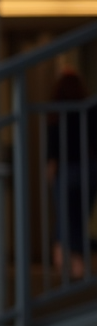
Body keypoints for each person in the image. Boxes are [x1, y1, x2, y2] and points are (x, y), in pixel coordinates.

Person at [46, 69, 97, 280]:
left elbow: (52, 154)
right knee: (80, 219)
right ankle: (79, 266)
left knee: (64, 220)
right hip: (90, 170)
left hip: (66, 172)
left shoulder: (57, 113)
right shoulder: (90, 110)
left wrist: (51, 177)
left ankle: (67, 266)